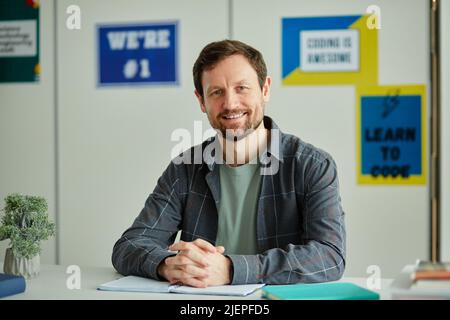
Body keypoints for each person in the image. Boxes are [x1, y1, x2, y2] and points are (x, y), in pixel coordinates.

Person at [112, 39, 346, 287]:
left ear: (265, 89)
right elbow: (129, 246)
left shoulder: (313, 166)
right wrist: (169, 265)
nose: (230, 104)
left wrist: (231, 269)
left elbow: (329, 256)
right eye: (216, 92)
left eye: (242, 88)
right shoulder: (185, 168)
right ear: (201, 101)